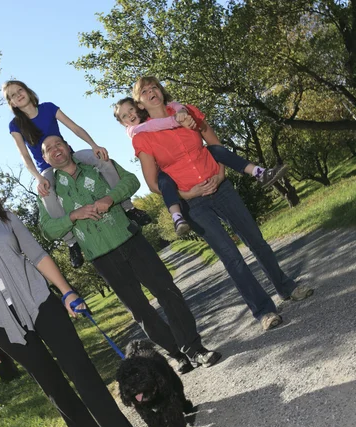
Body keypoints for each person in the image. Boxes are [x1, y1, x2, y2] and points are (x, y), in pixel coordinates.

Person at [0, 163, 143, 427]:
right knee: (56, 389)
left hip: (41, 303)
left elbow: (37, 256)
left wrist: (67, 291)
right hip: (3, 324)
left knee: (83, 374)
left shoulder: (7, 219)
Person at [130, 76, 314, 331]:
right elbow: (153, 182)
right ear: (139, 103)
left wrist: (220, 174)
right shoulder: (143, 137)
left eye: (154, 88)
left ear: (161, 91)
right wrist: (188, 195)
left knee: (256, 241)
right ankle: (264, 311)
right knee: (232, 257)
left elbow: (214, 144)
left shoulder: (187, 111)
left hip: (221, 188)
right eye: (145, 91)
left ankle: (287, 288)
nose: (152, 92)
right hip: (194, 204)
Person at [38, 135, 221, 373]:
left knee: (168, 292)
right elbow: (47, 230)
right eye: (48, 149)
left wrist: (110, 198)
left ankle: (195, 349)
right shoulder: (48, 191)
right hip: (102, 256)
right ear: (45, 158)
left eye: (58, 144)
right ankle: (177, 353)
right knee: (140, 310)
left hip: (131, 239)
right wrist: (73, 216)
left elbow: (131, 181)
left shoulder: (97, 163)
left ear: (68, 147)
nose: (55, 150)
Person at [3, 80, 152, 269]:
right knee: (47, 194)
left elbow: (75, 128)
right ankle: (71, 243)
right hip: (46, 167)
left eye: (19, 90)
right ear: (12, 103)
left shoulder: (48, 108)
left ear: (27, 91)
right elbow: (24, 156)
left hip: (70, 154)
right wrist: (38, 178)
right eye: (12, 96)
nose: (18, 95)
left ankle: (129, 208)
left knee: (102, 160)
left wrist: (94, 145)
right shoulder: (15, 125)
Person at [114, 97, 288, 236]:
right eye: (124, 116)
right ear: (123, 124)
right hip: (168, 174)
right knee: (165, 183)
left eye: (130, 109)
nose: (129, 115)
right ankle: (177, 217)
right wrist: (178, 119)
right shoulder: (137, 131)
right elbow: (158, 125)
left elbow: (173, 105)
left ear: (138, 107)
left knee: (216, 150)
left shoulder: (157, 115)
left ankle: (259, 172)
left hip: (198, 167)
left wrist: (180, 109)